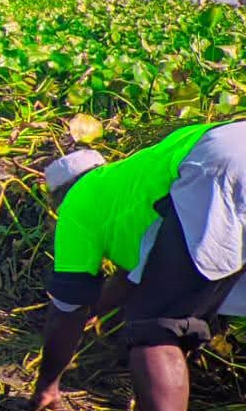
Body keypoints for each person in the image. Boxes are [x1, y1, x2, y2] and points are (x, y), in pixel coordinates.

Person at [29, 122, 246, 411]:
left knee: (157, 327)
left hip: (219, 166)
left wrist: (47, 385)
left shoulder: (76, 203)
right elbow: (134, 276)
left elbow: (68, 308)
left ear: (58, 197)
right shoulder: (127, 180)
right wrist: (96, 311)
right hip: (234, 138)